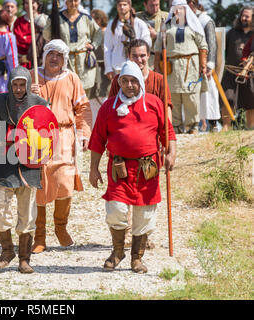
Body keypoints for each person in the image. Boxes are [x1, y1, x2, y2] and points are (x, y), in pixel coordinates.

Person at [88, 61, 177, 274]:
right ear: (119, 83)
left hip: (147, 169)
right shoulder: (108, 107)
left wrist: (171, 153)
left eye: (133, 81)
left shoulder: (154, 103)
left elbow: (168, 133)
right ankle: (118, 251)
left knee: (145, 215)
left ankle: (137, 258)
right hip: (119, 169)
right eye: (125, 81)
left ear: (140, 83)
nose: (129, 85)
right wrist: (93, 168)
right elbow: (98, 140)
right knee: (115, 210)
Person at [0, 66, 49, 273]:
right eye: (15, 84)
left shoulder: (38, 102)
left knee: (27, 215)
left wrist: (42, 102)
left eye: (23, 85)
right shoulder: (0, 100)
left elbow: (49, 127)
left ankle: (24, 259)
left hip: (29, 164)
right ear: (10, 84)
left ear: (28, 84)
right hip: (4, 162)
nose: (19, 89)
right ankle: (7, 250)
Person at [108, 39, 173, 249]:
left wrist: (167, 139)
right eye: (135, 56)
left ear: (149, 56)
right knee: (121, 191)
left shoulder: (158, 79)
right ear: (129, 57)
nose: (140, 59)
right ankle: (125, 233)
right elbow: (111, 108)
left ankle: (143, 236)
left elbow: (166, 108)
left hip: (150, 143)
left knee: (146, 191)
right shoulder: (119, 79)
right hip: (124, 148)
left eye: (143, 55)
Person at [30, 39, 91, 253]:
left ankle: (60, 228)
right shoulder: (33, 76)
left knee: (64, 182)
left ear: (64, 59)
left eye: (58, 55)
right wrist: (30, 93)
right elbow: (16, 101)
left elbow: (82, 108)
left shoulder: (71, 78)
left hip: (64, 134)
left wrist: (83, 133)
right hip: (37, 135)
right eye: (50, 54)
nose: (54, 58)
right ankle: (39, 236)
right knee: (38, 184)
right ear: (44, 55)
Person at [153, 0, 208, 134]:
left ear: (185, 10)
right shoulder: (166, 27)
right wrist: (157, 69)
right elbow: (158, 50)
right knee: (173, 96)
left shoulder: (193, 26)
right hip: (171, 66)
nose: (177, 11)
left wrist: (203, 65)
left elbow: (203, 47)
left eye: (180, 9)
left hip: (191, 66)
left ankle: (192, 126)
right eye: (175, 9)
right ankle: (176, 126)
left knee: (191, 97)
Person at [43, 0, 102, 97]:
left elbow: (98, 32)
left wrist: (93, 45)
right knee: (66, 92)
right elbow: (47, 35)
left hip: (83, 62)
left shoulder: (85, 18)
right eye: (70, 1)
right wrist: (51, 20)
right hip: (66, 60)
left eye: (76, 1)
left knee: (84, 94)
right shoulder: (57, 18)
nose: (73, 4)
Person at [187, 0, 220, 133]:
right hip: (189, 63)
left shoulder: (205, 20)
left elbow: (212, 44)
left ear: (193, 4)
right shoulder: (182, 20)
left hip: (204, 63)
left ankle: (213, 123)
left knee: (208, 93)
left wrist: (209, 65)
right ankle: (192, 124)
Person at [220, 6, 254, 130]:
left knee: (251, 102)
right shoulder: (232, 33)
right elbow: (221, 50)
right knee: (227, 98)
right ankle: (226, 126)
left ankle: (250, 128)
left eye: (247, 16)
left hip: (249, 74)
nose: (243, 18)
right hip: (231, 72)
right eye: (242, 15)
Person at [104, 0, 151, 81]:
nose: (122, 7)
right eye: (120, 5)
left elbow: (147, 43)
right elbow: (107, 48)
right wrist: (108, 68)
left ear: (129, 6)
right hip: (118, 67)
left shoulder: (139, 24)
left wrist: (135, 45)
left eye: (124, 5)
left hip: (137, 66)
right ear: (117, 6)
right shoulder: (112, 25)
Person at [13, 0, 47, 69]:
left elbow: (46, 40)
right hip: (23, 62)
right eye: (27, 3)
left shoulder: (45, 20)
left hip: (41, 62)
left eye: (33, 3)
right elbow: (18, 41)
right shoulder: (18, 22)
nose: (30, 5)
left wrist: (27, 38)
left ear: (38, 4)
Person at [136, 0, 169, 69]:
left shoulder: (166, 17)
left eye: (157, 5)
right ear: (145, 4)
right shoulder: (137, 17)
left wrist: (157, 35)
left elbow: (171, 38)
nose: (155, 8)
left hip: (160, 57)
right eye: (151, 5)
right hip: (141, 58)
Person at [91, 9, 111, 99]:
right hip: (94, 67)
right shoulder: (93, 34)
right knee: (93, 95)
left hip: (106, 68)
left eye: (93, 19)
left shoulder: (108, 32)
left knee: (105, 94)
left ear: (99, 19)